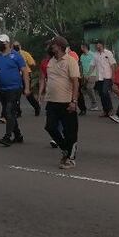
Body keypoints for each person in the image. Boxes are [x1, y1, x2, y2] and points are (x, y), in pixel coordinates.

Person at [42, 36, 80, 169]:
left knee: (70, 132)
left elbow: (75, 82)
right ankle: (65, 149)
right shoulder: (50, 61)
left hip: (67, 102)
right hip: (52, 102)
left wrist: (74, 101)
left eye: (53, 45)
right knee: (50, 127)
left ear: (59, 46)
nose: (51, 47)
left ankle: (70, 159)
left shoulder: (70, 61)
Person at [92, 39, 119, 121]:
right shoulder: (95, 55)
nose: (97, 45)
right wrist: (88, 74)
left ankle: (110, 109)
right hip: (99, 77)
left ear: (102, 44)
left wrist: (114, 75)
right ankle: (105, 111)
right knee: (101, 94)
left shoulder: (108, 53)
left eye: (98, 44)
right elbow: (92, 65)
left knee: (104, 92)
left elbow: (113, 64)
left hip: (107, 76)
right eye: (96, 44)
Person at [78, 42, 98, 111]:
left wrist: (97, 75)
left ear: (85, 47)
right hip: (84, 75)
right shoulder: (82, 56)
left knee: (89, 88)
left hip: (93, 74)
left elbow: (96, 65)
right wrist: (81, 75)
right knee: (84, 89)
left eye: (81, 47)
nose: (81, 48)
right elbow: (81, 66)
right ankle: (91, 104)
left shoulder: (93, 55)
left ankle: (95, 104)